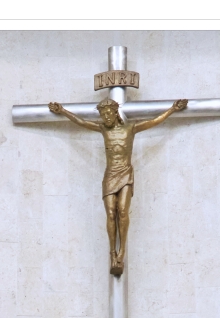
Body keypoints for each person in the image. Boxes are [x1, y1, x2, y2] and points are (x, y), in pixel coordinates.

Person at [48, 97, 187, 276]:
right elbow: (81, 122)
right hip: (110, 175)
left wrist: (172, 109)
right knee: (111, 213)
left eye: (108, 113)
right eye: (102, 114)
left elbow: (153, 121)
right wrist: (63, 111)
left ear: (115, 113)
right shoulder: (103, 129)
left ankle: (122, 251)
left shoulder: (130, 128)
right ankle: (112, 252)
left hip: (125, 173)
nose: (106, 117)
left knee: (122, 211)